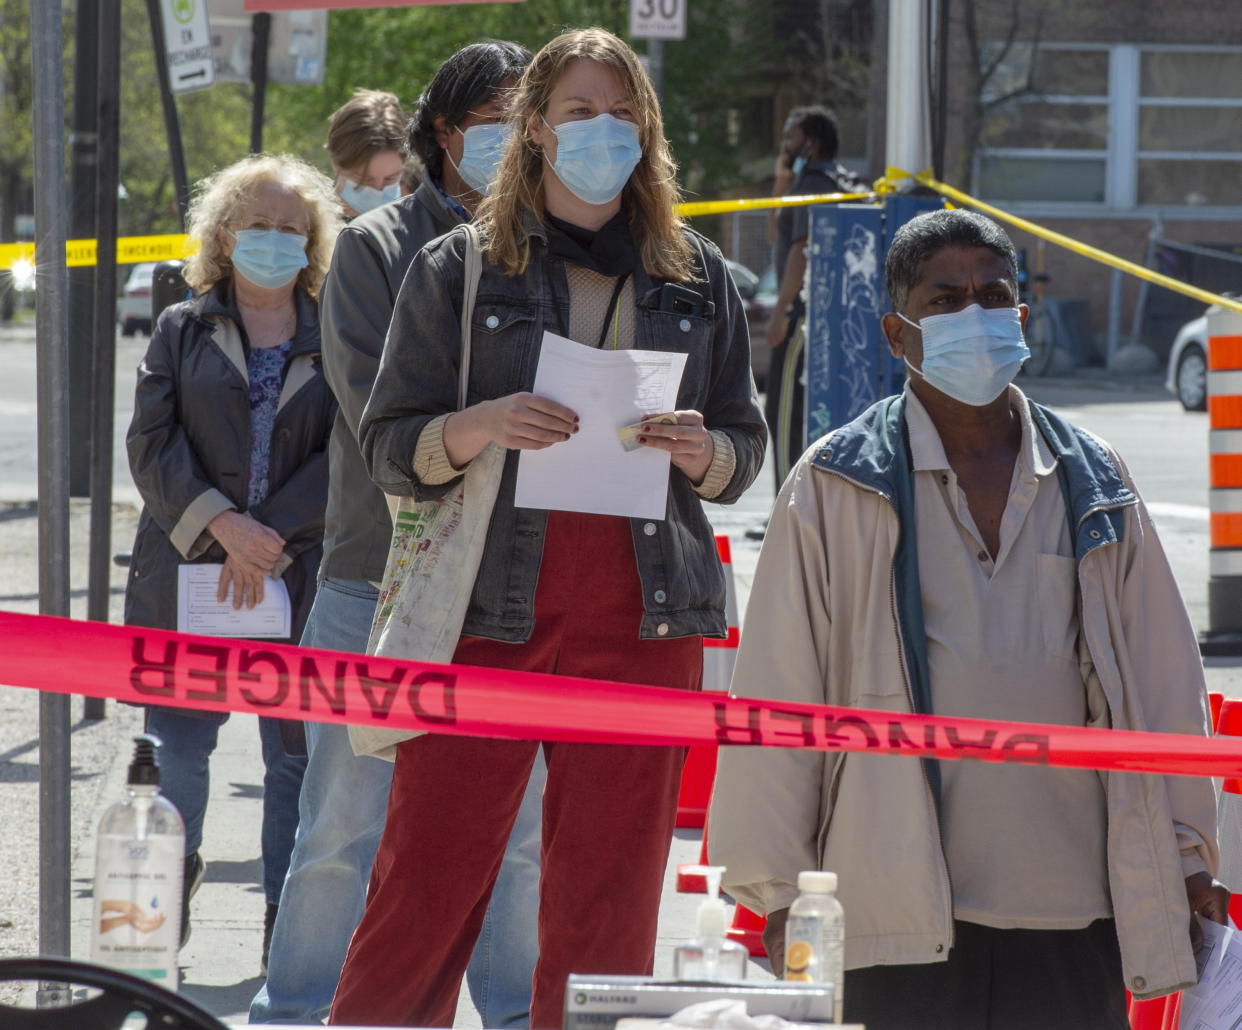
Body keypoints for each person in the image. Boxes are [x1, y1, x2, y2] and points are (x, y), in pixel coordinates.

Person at [329, 27, 766, 1029]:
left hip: (647, 613)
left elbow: (747, 448)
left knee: (608, 905)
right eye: (578, 111)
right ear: (534, 127)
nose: (600, 131)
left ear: (647, 132)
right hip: (486, 604)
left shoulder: (697, 274)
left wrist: (702, 449)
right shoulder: (458, 265)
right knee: (425, 886)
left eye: (621, 113)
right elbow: (390, 446)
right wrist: (481, 425)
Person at [709, 208, 1229, 1030]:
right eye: (945, 301)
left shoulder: (1093, 478)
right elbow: (779, 689)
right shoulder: (836, 484)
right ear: (897, 331)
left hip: (1075, 906)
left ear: (1022, 318)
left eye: (993, 296)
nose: (975, 317)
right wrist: (774, 891)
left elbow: (1166, 681)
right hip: (892, 910)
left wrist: (1193, 853)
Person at [249, 41, 540, 1028]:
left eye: (527, 117)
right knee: (340, 823)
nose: (517, 140)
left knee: (521, 832)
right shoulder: (374, 250)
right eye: (495, 119)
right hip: (379, 577)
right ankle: (298, 1010)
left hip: (520, 588)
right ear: (449, 133)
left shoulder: (565, 246)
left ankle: (512, 1011)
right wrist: (513, 418)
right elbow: (388, 423)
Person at [124, 154, 342, 969]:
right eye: (259, 225)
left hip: (298, 575)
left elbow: (349, 452)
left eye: (292, 228)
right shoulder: (181, 327)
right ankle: (160, 917)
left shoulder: (337, 333)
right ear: (223, 235)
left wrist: (267, 536)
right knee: (179, 748)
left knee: (293, 759)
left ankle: (286, 936)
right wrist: (222, 526)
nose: (275, 241)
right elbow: (150, 445)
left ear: (313, 241)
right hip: (186, 576)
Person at [764, 105, 862, 491]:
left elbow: (800, 250)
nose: (785, 143)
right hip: (831, 317)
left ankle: (786, 504)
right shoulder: (833, 181)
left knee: (784, 409)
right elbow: (777, 230)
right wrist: (781, 179)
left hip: (803, 314)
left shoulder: (814, 185)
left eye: (791, 136)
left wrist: (781, 312)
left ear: (812, 142)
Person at [327, 89, 409, 218]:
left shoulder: (416, 224)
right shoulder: (308, 225)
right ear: (335, 162)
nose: (378, 190)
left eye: (390, 179)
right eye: (365, 179)